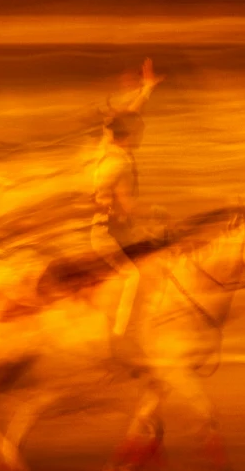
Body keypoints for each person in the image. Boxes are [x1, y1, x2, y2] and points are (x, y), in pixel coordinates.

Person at [91, 58, 165, 366]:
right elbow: (127, 206)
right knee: (132, 277)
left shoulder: (110, 145)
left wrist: (146, 90)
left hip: (120, 228)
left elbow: (130, 115)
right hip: (107, 232)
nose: (141, 135)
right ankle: (121, 336)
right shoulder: (118, 164)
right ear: (127, 137)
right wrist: (154, 216)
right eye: (137, 133)